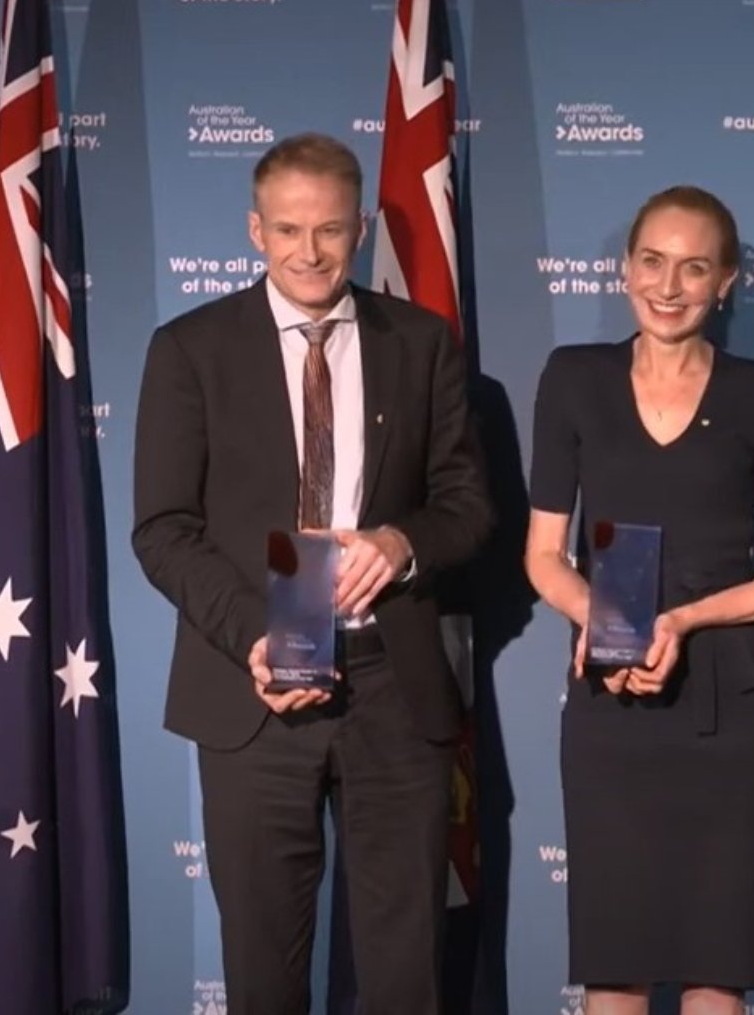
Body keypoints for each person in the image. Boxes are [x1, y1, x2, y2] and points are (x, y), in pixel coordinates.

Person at [132, 133, 493, 1015]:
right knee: (262, 972)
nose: (309, 253)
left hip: (394, 689)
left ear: (361, 226)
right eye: (288, 230)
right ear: (255, 230)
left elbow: (468, 507)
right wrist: (255, 636)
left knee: (407, 970)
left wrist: (401, 545)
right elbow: (164, 530)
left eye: (330, 231)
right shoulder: (191, 349)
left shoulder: (421, 341)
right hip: (251, 695)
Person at [524, 186, 754, 1015]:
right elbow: (543, 557)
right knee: (614, 966)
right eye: (653, 261)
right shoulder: (574, 378)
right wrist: (605, 623)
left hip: (730, 706)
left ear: (725, 282)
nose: (669, 285)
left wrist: (685, 621)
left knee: (713, 966)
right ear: (626, 269)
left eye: (695, 267)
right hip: (609, 695)